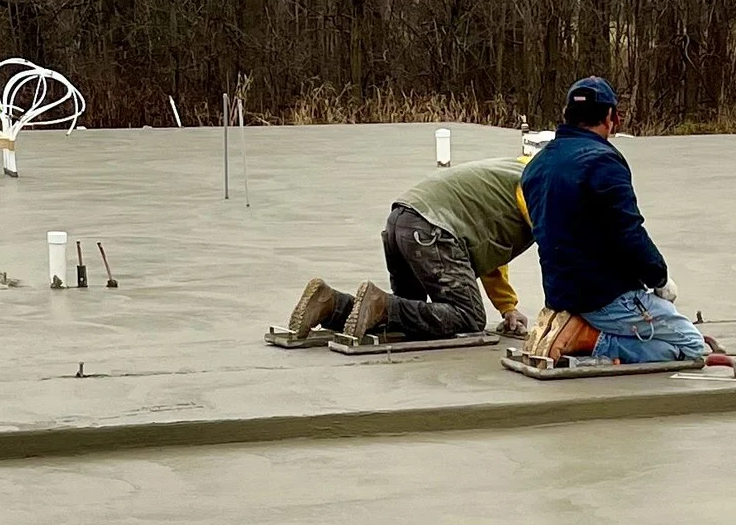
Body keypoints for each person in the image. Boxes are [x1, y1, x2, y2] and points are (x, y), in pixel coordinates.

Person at [518, 77, 706, 364]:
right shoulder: (602, 161)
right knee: (692, 346)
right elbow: (628, 233)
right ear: (611, 117)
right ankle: (591, 339)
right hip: (606, 297)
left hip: (560, 292)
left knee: (668, 344)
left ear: (566, 116)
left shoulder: (536, 166)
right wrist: (659, 277)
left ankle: (581, 327)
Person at [286, 152, 535, 343]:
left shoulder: (518, 171)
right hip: (432, 230)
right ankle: (381, 305)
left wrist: (507, 307)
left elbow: (493, 250)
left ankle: (330, 304)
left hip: (402, 221)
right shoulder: (538, 183)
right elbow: (554, 244)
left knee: (409, 317)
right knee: (468, 317)